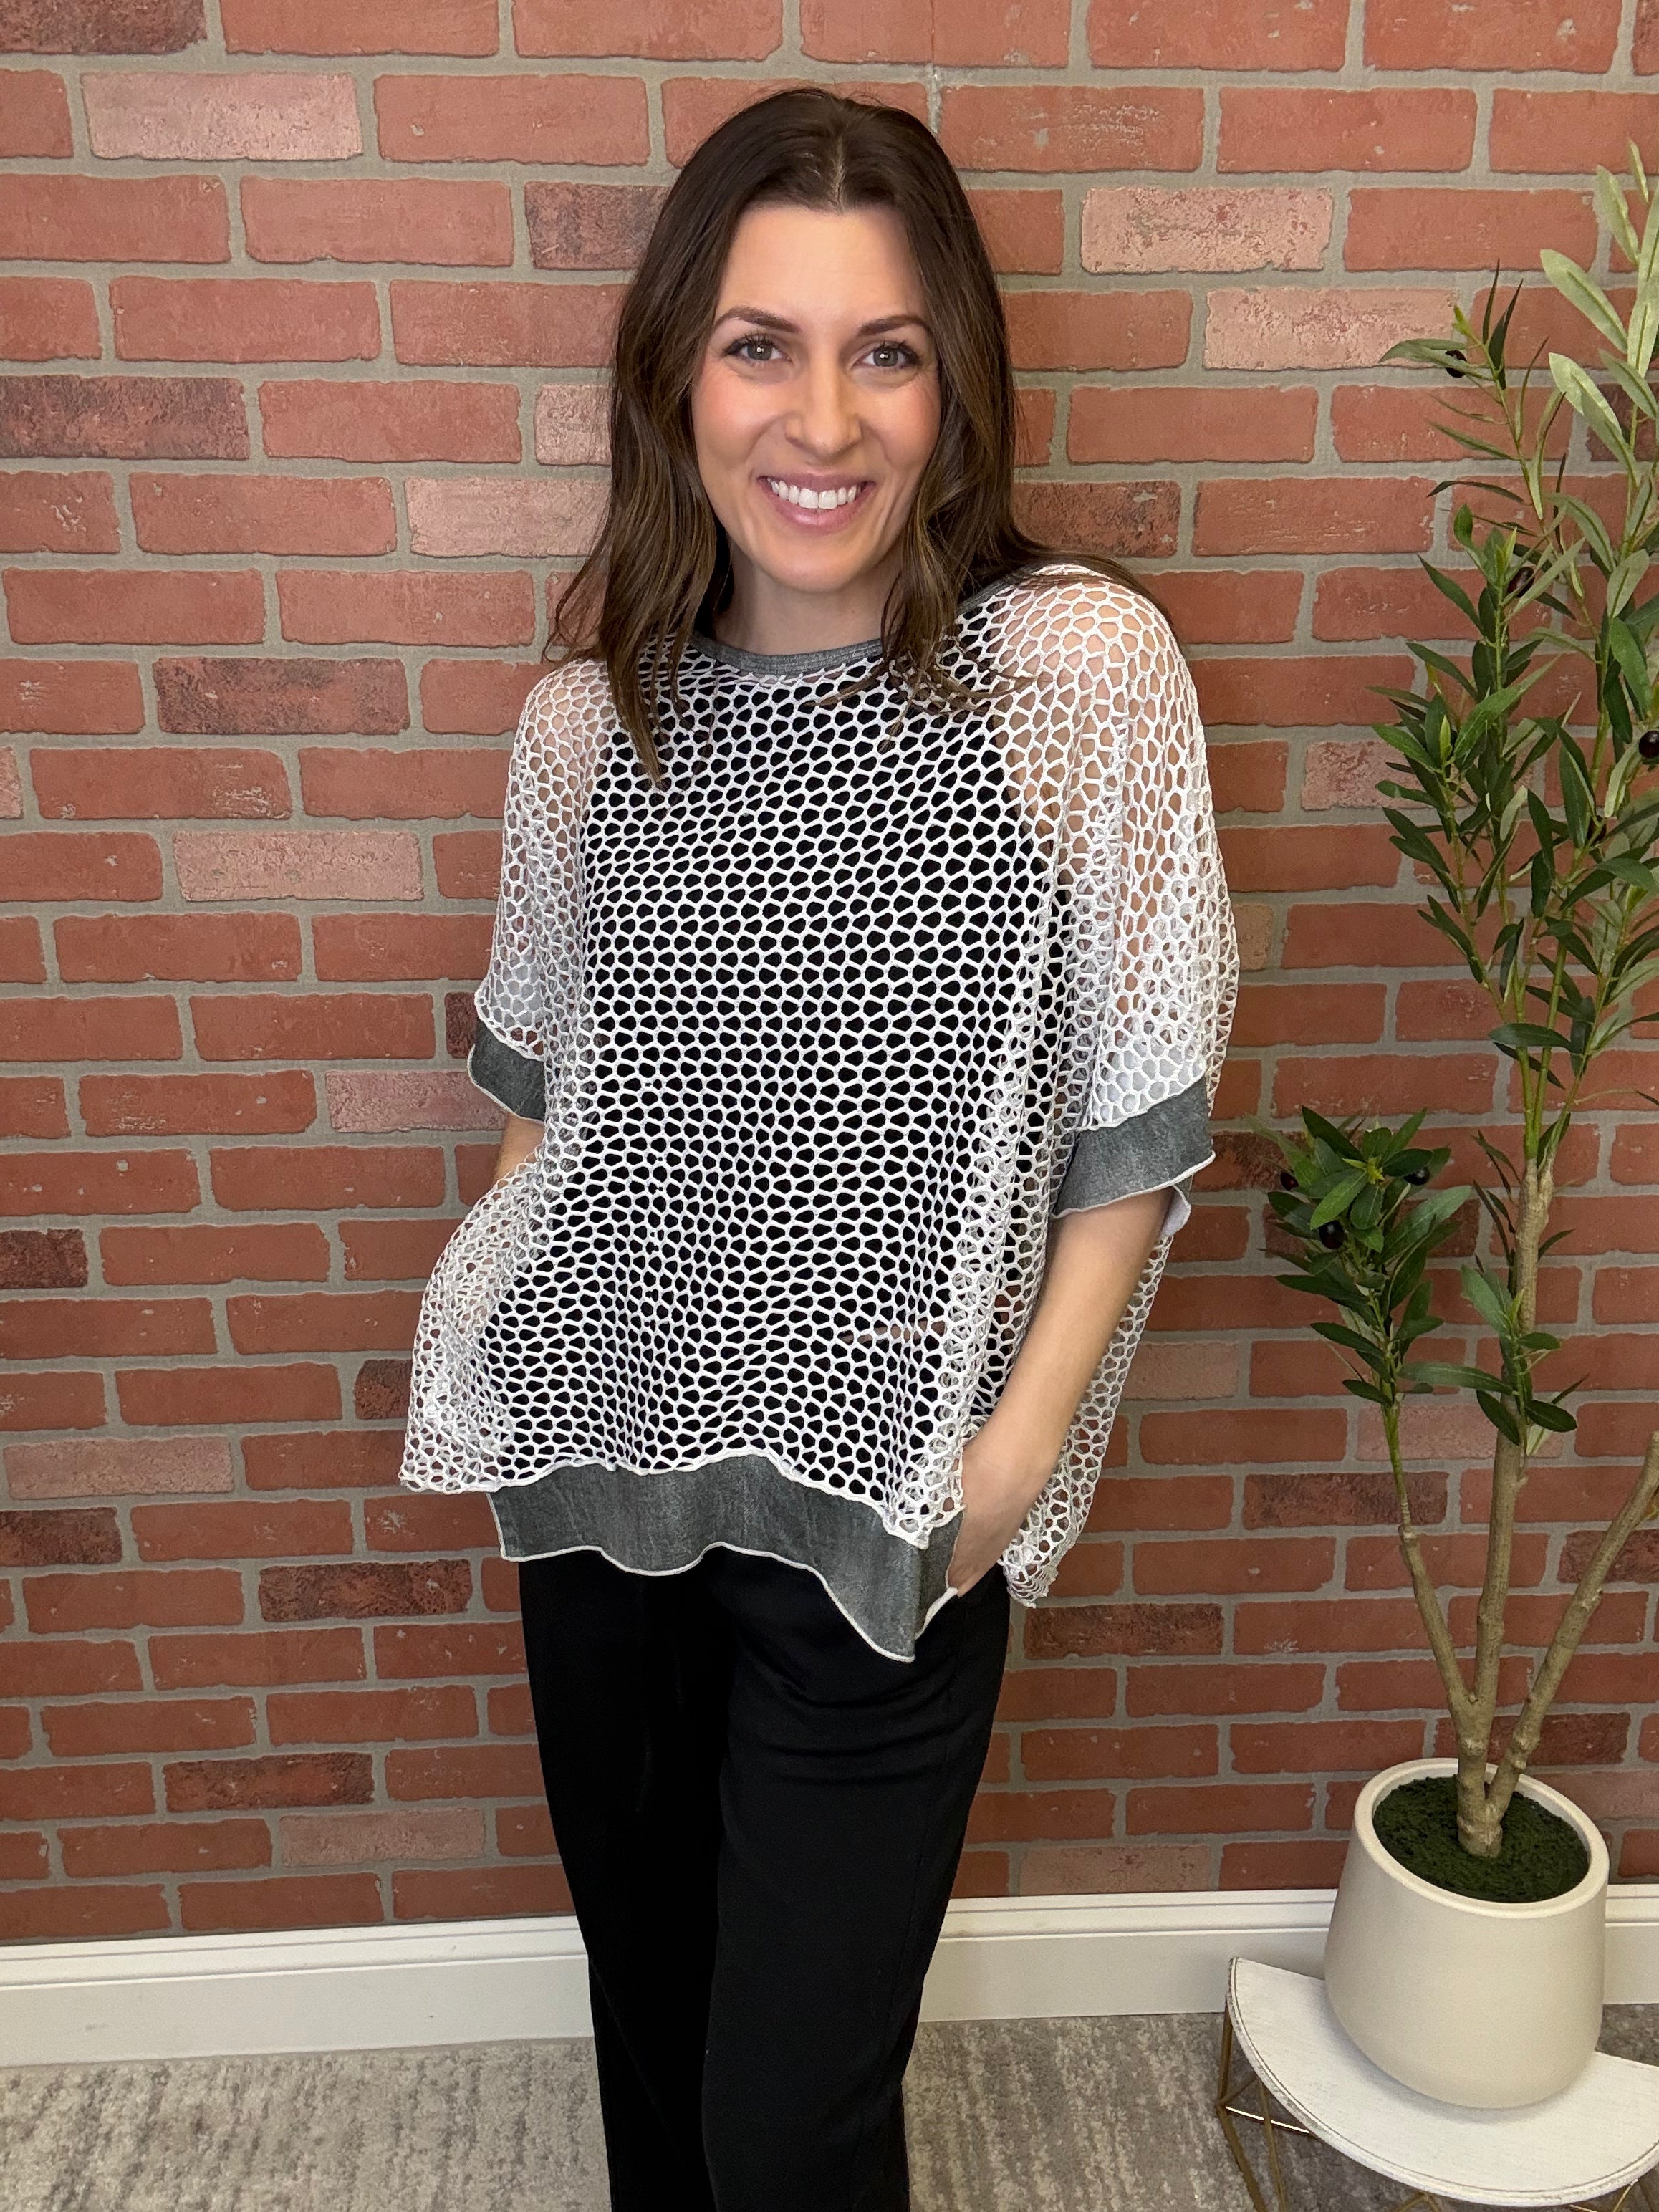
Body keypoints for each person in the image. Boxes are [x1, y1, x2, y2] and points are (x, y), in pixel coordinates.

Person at [398, 85, 1239, 2212]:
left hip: (889, 1515)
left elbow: (1137, 1115)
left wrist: (1011, 1463)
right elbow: (541, 1101)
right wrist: (495, 1366)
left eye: (888, 352)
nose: (825, 419)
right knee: (654, 2021)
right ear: (675, 376)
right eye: (761, 345)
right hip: (599, 1476)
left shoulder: (1069, 675)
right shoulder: (590, 718)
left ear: (956, 388)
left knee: (791, 2129)